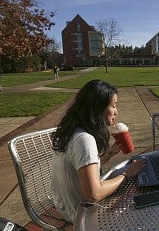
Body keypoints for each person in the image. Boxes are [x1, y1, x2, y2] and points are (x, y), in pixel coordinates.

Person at [50, 79, 146, 222]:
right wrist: (128, 173)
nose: (116, 111)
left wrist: (110, 154)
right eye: (113, 106)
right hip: (80, 213)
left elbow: (81, 169)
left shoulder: (74, 130)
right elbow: (93, 194)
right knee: (140, 202)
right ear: (98, 108)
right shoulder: (84, 139)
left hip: (65, 205)